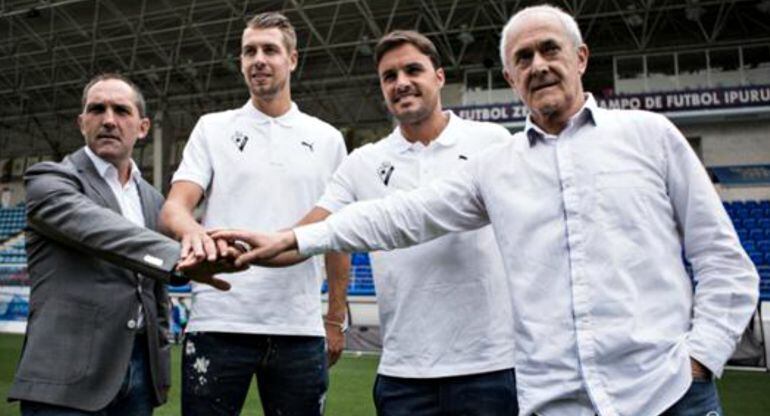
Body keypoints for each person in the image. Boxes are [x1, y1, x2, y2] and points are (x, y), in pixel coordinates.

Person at [213, 5, 760, 416]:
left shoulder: (650, 136)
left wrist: (699, 362)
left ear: (581, 58)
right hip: (554, 398)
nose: (539, 66)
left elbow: (722, 261)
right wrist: (286, 240)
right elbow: (397, 216)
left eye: (549, 50)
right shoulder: (501, 166)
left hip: (663, 393)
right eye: (523, 58)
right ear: (509, 77)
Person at [276, 30, 517, 415]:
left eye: (412, 70)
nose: (401, 82)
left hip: (488, 367)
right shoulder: (363, 162)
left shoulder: (492, 142)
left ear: (439, 77)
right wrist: (244, 248)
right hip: (403, 372)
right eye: (389, 76)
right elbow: (307, 231)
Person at [7, 73, 237, 415]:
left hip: (139, 375)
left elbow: (150, 289)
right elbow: (103, 232)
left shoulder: (154, 201)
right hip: (65, 379)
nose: (109, 120)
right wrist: (179, 256)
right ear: (82, 122)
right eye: (97, 110)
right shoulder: (49, 181)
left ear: (142, 127)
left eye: (121, 111)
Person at [158, 11, 348, 416]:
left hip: (298, 328)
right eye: (249, 51)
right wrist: (191, 230)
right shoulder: (212, 128)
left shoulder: (328, 139)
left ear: (293, 59)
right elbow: (175, 206)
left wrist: (334, 318)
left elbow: (338, 235)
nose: (258, 59)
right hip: (219, 321)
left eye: (269, 50)